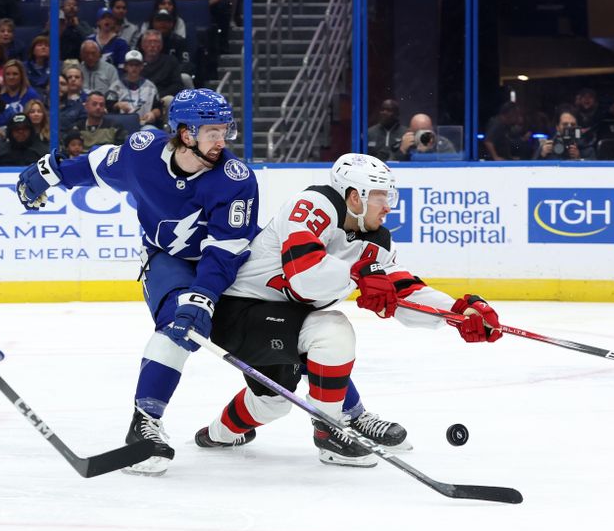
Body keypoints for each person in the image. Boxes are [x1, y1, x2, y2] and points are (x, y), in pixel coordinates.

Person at [194, 153, 503, 467]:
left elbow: (403, 290)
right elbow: (305, 278)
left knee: (271, 404)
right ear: (356, 197)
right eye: (382, 196)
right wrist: (360, 275)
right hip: (238, 314)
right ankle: (332, 431)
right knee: (331, 332)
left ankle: (216, 434)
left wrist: (457, 313)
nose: (389, 206)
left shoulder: (377, 241)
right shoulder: (314, 205)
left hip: (285, 321)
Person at [16, 89, 260, 476]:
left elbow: (225, 251)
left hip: (229, 261)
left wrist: (206, 294)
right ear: (184, 133)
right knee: (178, 323)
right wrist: (52, 173)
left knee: (289, 312)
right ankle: (144, 423)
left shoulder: (236, 180)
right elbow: (97, 168)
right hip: (167, 258)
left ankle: (344, 414)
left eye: (224, 130)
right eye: (211, 131)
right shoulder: (143, 152)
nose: (222, 141)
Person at [108, 50, 163, 129]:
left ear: (142, 67)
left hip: (144, 124)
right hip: (120, 126)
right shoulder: (116, 86)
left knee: (151, 131)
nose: (134, 68)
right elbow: (108, 107)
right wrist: (117, 105)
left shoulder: (150, 86)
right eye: (131, 65)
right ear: (125, 67)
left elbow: (159, 108)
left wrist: (153, 114)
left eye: (137, 65)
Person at [139, 30, 184, 102]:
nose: (152, 45)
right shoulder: (136, 62)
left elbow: (177, 85)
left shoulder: (171, 61)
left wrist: (157, 96)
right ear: (142, 45)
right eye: (149, 42)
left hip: (163, 98)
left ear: (161, 45)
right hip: (139, 98)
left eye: (156, 42)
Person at [392, 113, 457, 160]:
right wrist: (402, 150)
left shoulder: (442, 143)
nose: (423, 136)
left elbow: (453, 164)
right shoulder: (405, 143)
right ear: (410, 131)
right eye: (418, 132)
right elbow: (389, 167)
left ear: (432, 130)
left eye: (426, 132)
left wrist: (429, 150)